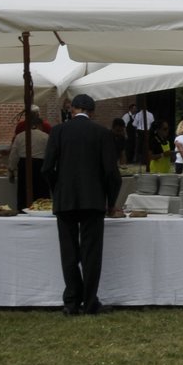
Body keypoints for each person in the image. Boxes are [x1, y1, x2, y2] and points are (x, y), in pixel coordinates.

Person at [42, 94, 121, 316]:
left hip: (65, 199)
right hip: (93, 200)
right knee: (91, 253)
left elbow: (47, 168)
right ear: (92, 111)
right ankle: (89, 300)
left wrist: (58, 189)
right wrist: (110, 201)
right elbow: (112, 174)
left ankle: (71, 301)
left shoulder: (58, 131)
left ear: (72, 109)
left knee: (68, 252)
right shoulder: (102, 134)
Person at [7, 110, 50, 208]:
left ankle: (23, 211)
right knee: (41, 192)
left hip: (24, 165)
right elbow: (50, 155)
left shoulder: (20, 136)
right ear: (40, 125)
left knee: (24, 192)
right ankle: (42, 209)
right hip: (40, 166)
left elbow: (14, 155)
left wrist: (11, 170)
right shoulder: (46, 137)